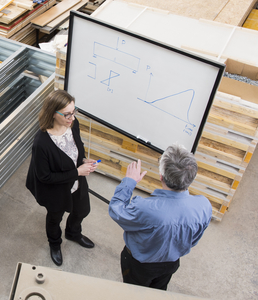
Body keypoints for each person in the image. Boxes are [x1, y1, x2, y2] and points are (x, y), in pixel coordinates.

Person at [109, 144, 212, 290]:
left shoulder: (146, 208)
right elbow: (193, 240)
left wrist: (129, 182)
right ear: (191, 177)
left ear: (161, 176)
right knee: (159, 291)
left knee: (134, 292)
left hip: (140, 266)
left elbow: (116, 210)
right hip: (171, 264)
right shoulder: (204, 205)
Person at [26, 90, 99, 266]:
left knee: (82, 210)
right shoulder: (41, 143)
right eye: (67, 114)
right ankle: (55, 244)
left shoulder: (74, 124)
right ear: (53, 113)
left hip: (77, 183)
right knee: (54, 219)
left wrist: (83, 160)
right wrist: (77, 172)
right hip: (56, 189)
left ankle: (73, 234)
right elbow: (45, 177)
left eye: (74, 112)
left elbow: (76, 151)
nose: (72, 117)